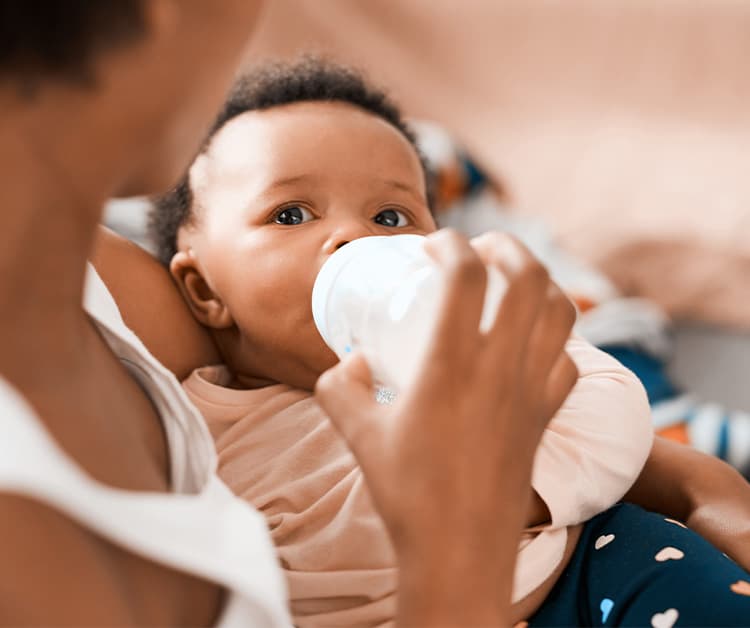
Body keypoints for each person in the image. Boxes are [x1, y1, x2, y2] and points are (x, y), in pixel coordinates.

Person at [99, 58, 750, 626]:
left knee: (687, 581)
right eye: (291, 214)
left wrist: (514, 485)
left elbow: (613, 408)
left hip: (580, 570)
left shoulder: (465, 351)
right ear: (205, 292)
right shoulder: (191, 418)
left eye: (391, 216)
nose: (355, 239)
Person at [0, 1, 584, 625]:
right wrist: (458, 548)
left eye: (389, 218)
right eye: (290, 214)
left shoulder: (71, 268)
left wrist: (685, 480)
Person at [414, 119, 750, 477]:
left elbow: (438, 157)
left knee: (669, 445)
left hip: (587, 337)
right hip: (523, 380)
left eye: (387, 218)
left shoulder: (418, 153)